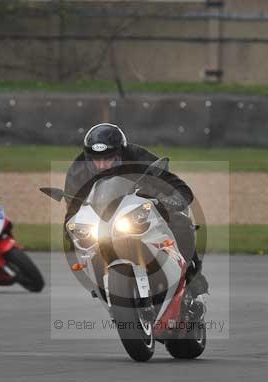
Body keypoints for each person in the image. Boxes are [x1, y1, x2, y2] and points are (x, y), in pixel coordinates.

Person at [64, 123, 208, 297]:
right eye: (96, 159)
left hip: (140, 208)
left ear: (120, 153)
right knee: (82, 240)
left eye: (108, 158)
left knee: (180, 221)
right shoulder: (77, 171)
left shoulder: (138, 156)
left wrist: (171, 201)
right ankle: (101, 284)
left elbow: (177, 186)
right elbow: (73, 210)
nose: (102, 164)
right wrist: (73, 228)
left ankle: (192, 273)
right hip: (103, 219)